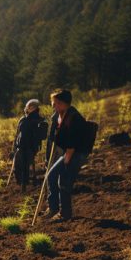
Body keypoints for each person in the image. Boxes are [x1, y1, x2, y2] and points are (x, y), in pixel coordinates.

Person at [43, 89, 89, 222]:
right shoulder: (62, 115)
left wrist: (66, 161)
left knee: (64, 181)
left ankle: (64, 213)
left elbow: (72, 142)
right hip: (69, 153)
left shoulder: (74, 117)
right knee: (51, 176)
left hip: (76, 153)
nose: (53, 106)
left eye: (55, 103)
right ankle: (54, 208)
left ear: (63, 103)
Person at [13, 99, 43, 191]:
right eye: (28, 107)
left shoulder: (38, 120)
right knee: (18, 163)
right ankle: (22, 181)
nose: (27, 109)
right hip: (21, 145)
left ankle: (24, 183)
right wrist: (15, 145)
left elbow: (40, 135)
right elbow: (18, 133)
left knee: (24, 163)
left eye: (30, 107)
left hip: (30, 146)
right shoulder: (23, 119)